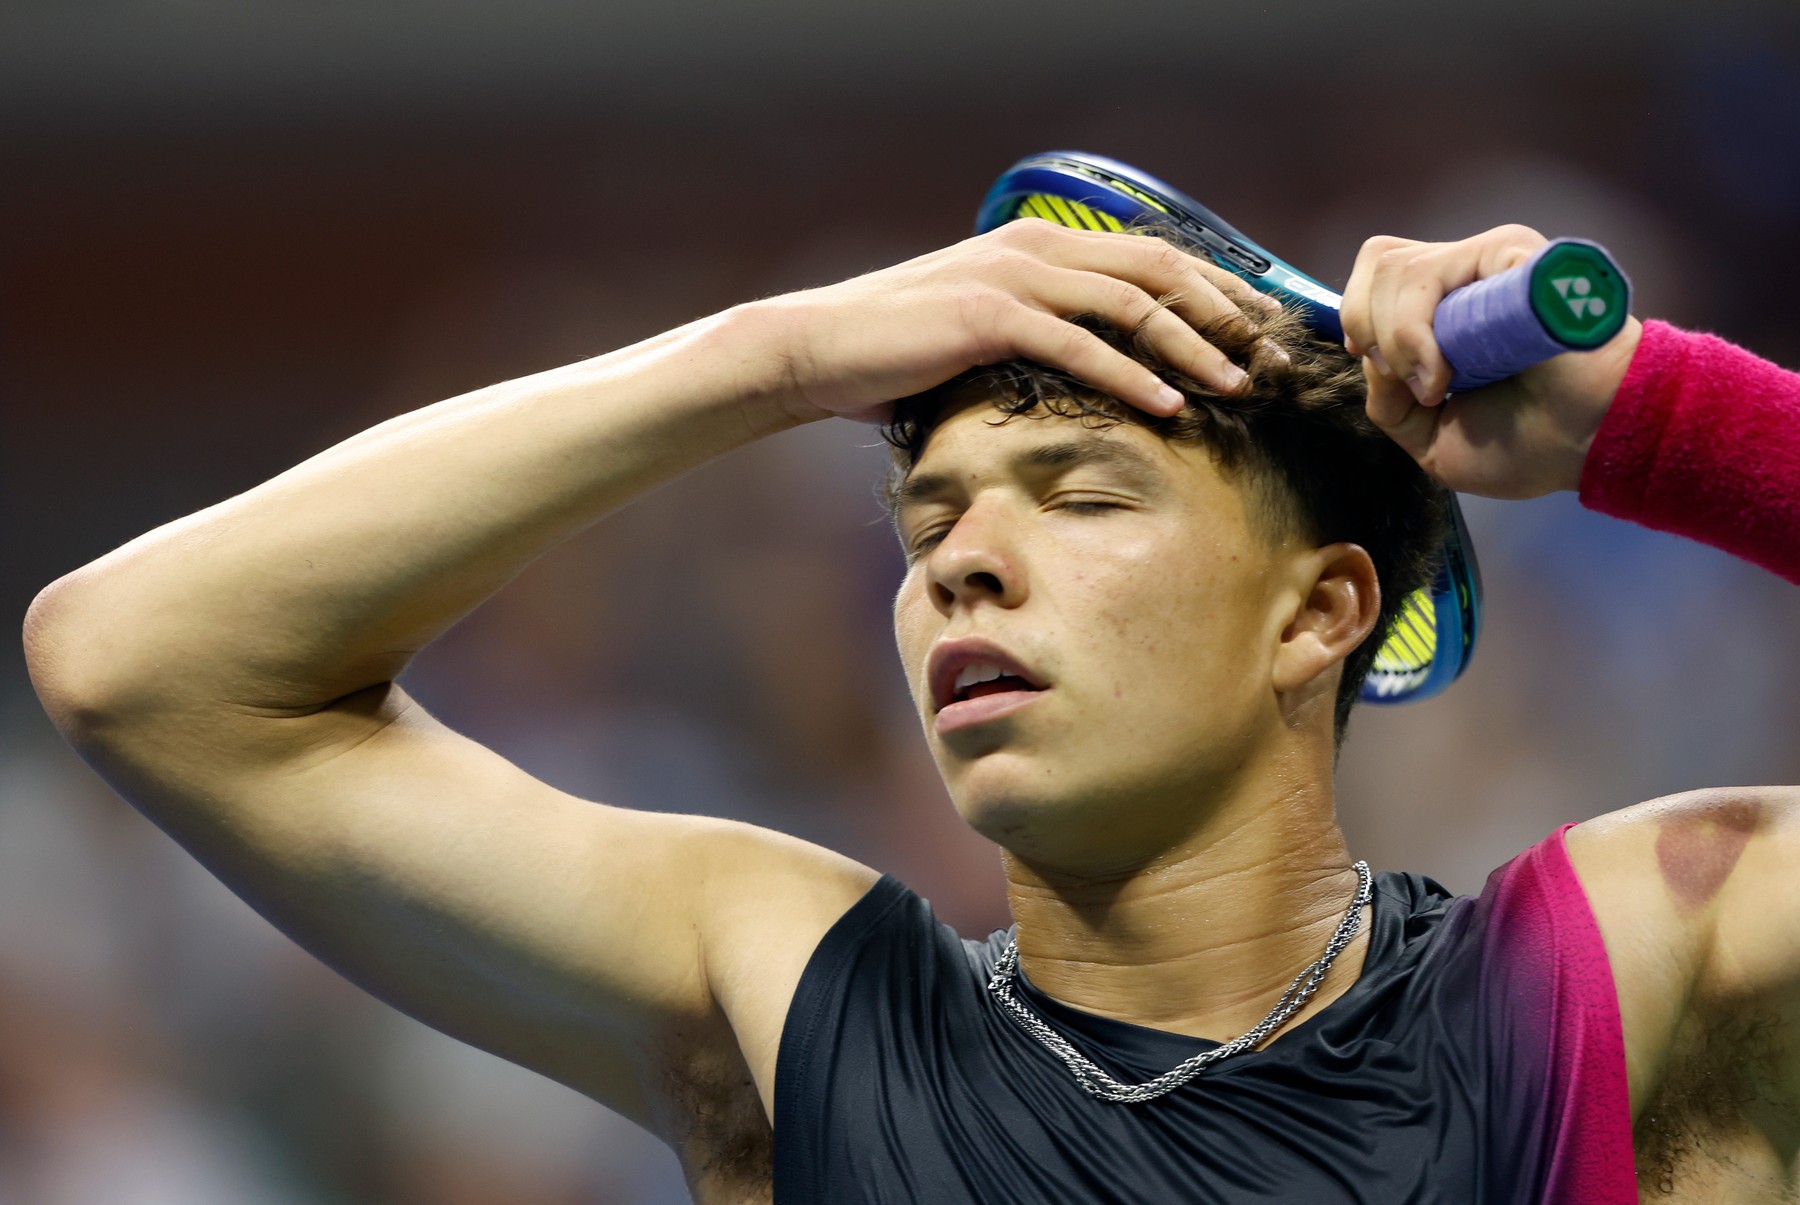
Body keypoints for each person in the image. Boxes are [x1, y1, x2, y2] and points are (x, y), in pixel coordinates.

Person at [20, 215, 1800, 1203]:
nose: (966, 564)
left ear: (1321, 610)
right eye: (932, 522)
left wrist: (1669, 418)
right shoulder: (793, 1001)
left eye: (1082, 495)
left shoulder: (1625, 973)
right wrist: (770, 354)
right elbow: (137, 661)